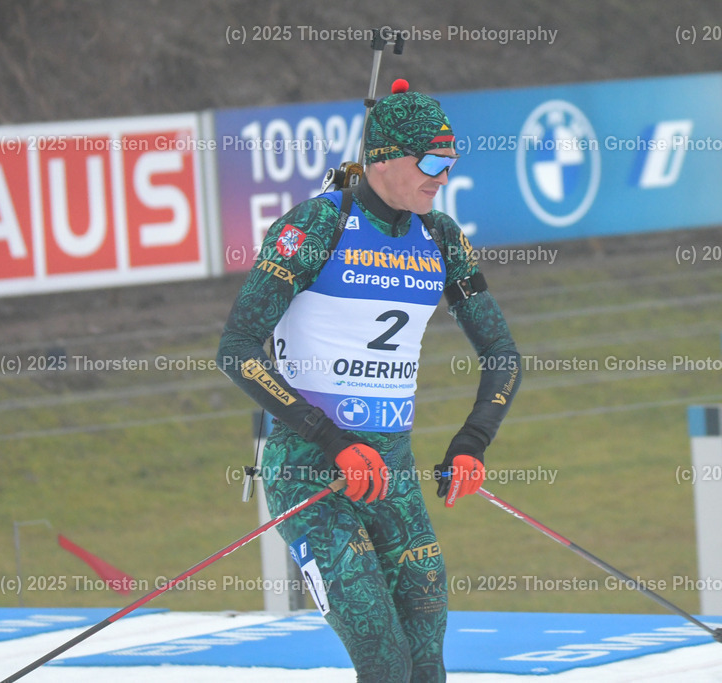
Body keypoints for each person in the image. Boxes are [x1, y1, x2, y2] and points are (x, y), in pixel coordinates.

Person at [216, 83, 521, 682]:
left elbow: (502, 354)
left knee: (427, 658)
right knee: (384, 658)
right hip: (310, 470)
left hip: (392, 471)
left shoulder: (440, 237)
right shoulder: (316, 227)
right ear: (384, 158)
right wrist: (330, 440)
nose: (443, 175)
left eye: (451, 163)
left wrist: (472, 443)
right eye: (431, 162)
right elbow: (238, 348)